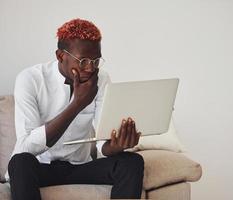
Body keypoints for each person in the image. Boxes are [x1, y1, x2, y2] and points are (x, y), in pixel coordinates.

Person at [7, 18, 144, 200]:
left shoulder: (101, 79)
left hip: (79, 166)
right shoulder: (30, 79)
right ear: (60, 56)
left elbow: (102, 146)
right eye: (83, 60)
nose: (90, 68)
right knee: (19, 162)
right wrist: (77, 104)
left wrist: (117, 146)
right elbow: (26, 147)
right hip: (40, 168)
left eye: (96, 61)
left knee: (131, 162)